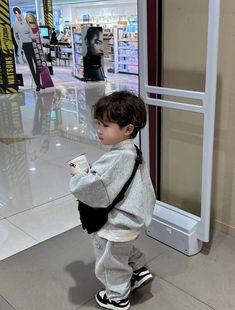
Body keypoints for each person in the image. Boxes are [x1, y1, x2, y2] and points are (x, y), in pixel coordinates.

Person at [69, 90, 156, 310]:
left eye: (105, 126)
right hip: (132, 218)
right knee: (123, 250)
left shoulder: (117, 158)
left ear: (128, 129)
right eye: (98, 124)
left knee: (110, 261)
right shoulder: (133, 152)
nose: (99, 131)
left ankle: (117, 297)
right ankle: (138, 271)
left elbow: (94, 190)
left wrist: (80, 176)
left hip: (116, 224)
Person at [12, 7, 44, 92]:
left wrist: (36, 35)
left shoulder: (26, 22)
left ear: (20, 13)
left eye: (18, 13)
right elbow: (16, 36)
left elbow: (31, 33)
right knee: (31, 65)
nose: (18, 15)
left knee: (37, 64)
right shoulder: (15, 25)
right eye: (16, 13)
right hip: (25, 45)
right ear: (14, 14)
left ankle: (38, 83)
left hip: (31, 44)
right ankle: (38, 85)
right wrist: (20, 45)